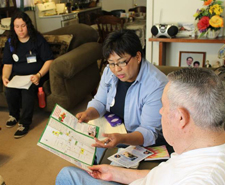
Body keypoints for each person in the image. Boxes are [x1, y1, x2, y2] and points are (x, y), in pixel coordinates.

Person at [56, 68, 225, 185]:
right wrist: (113, 172)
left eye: (164, 106)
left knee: (66, 176)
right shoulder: (202, 148)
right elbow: (162, 177)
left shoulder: (203, 179)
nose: (160, 111)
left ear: (181, 117)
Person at [76, 29, 168, 162]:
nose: (116, 69)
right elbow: (100, 102)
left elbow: (148, 132)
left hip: (138, 138)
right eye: (111, 63)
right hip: (113, 129)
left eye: (122, 62)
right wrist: (88, 113)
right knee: (82, 149)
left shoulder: (156, 85)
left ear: (138, 56)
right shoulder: (109, 71)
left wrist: (122, 138)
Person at [2, 11, 54, 138]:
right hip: (18, 76)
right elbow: (8, 64)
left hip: (35, 76)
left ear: (28, 25)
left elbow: (49, 60)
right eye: (17, 26)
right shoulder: (10, 42)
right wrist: (5, 77)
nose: (20, 29)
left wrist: (38, 75)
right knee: (9, 89)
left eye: (23, 26)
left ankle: (24, 123)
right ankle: (14, 115)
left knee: (27, 91)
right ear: (13, 28)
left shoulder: (37, 40)